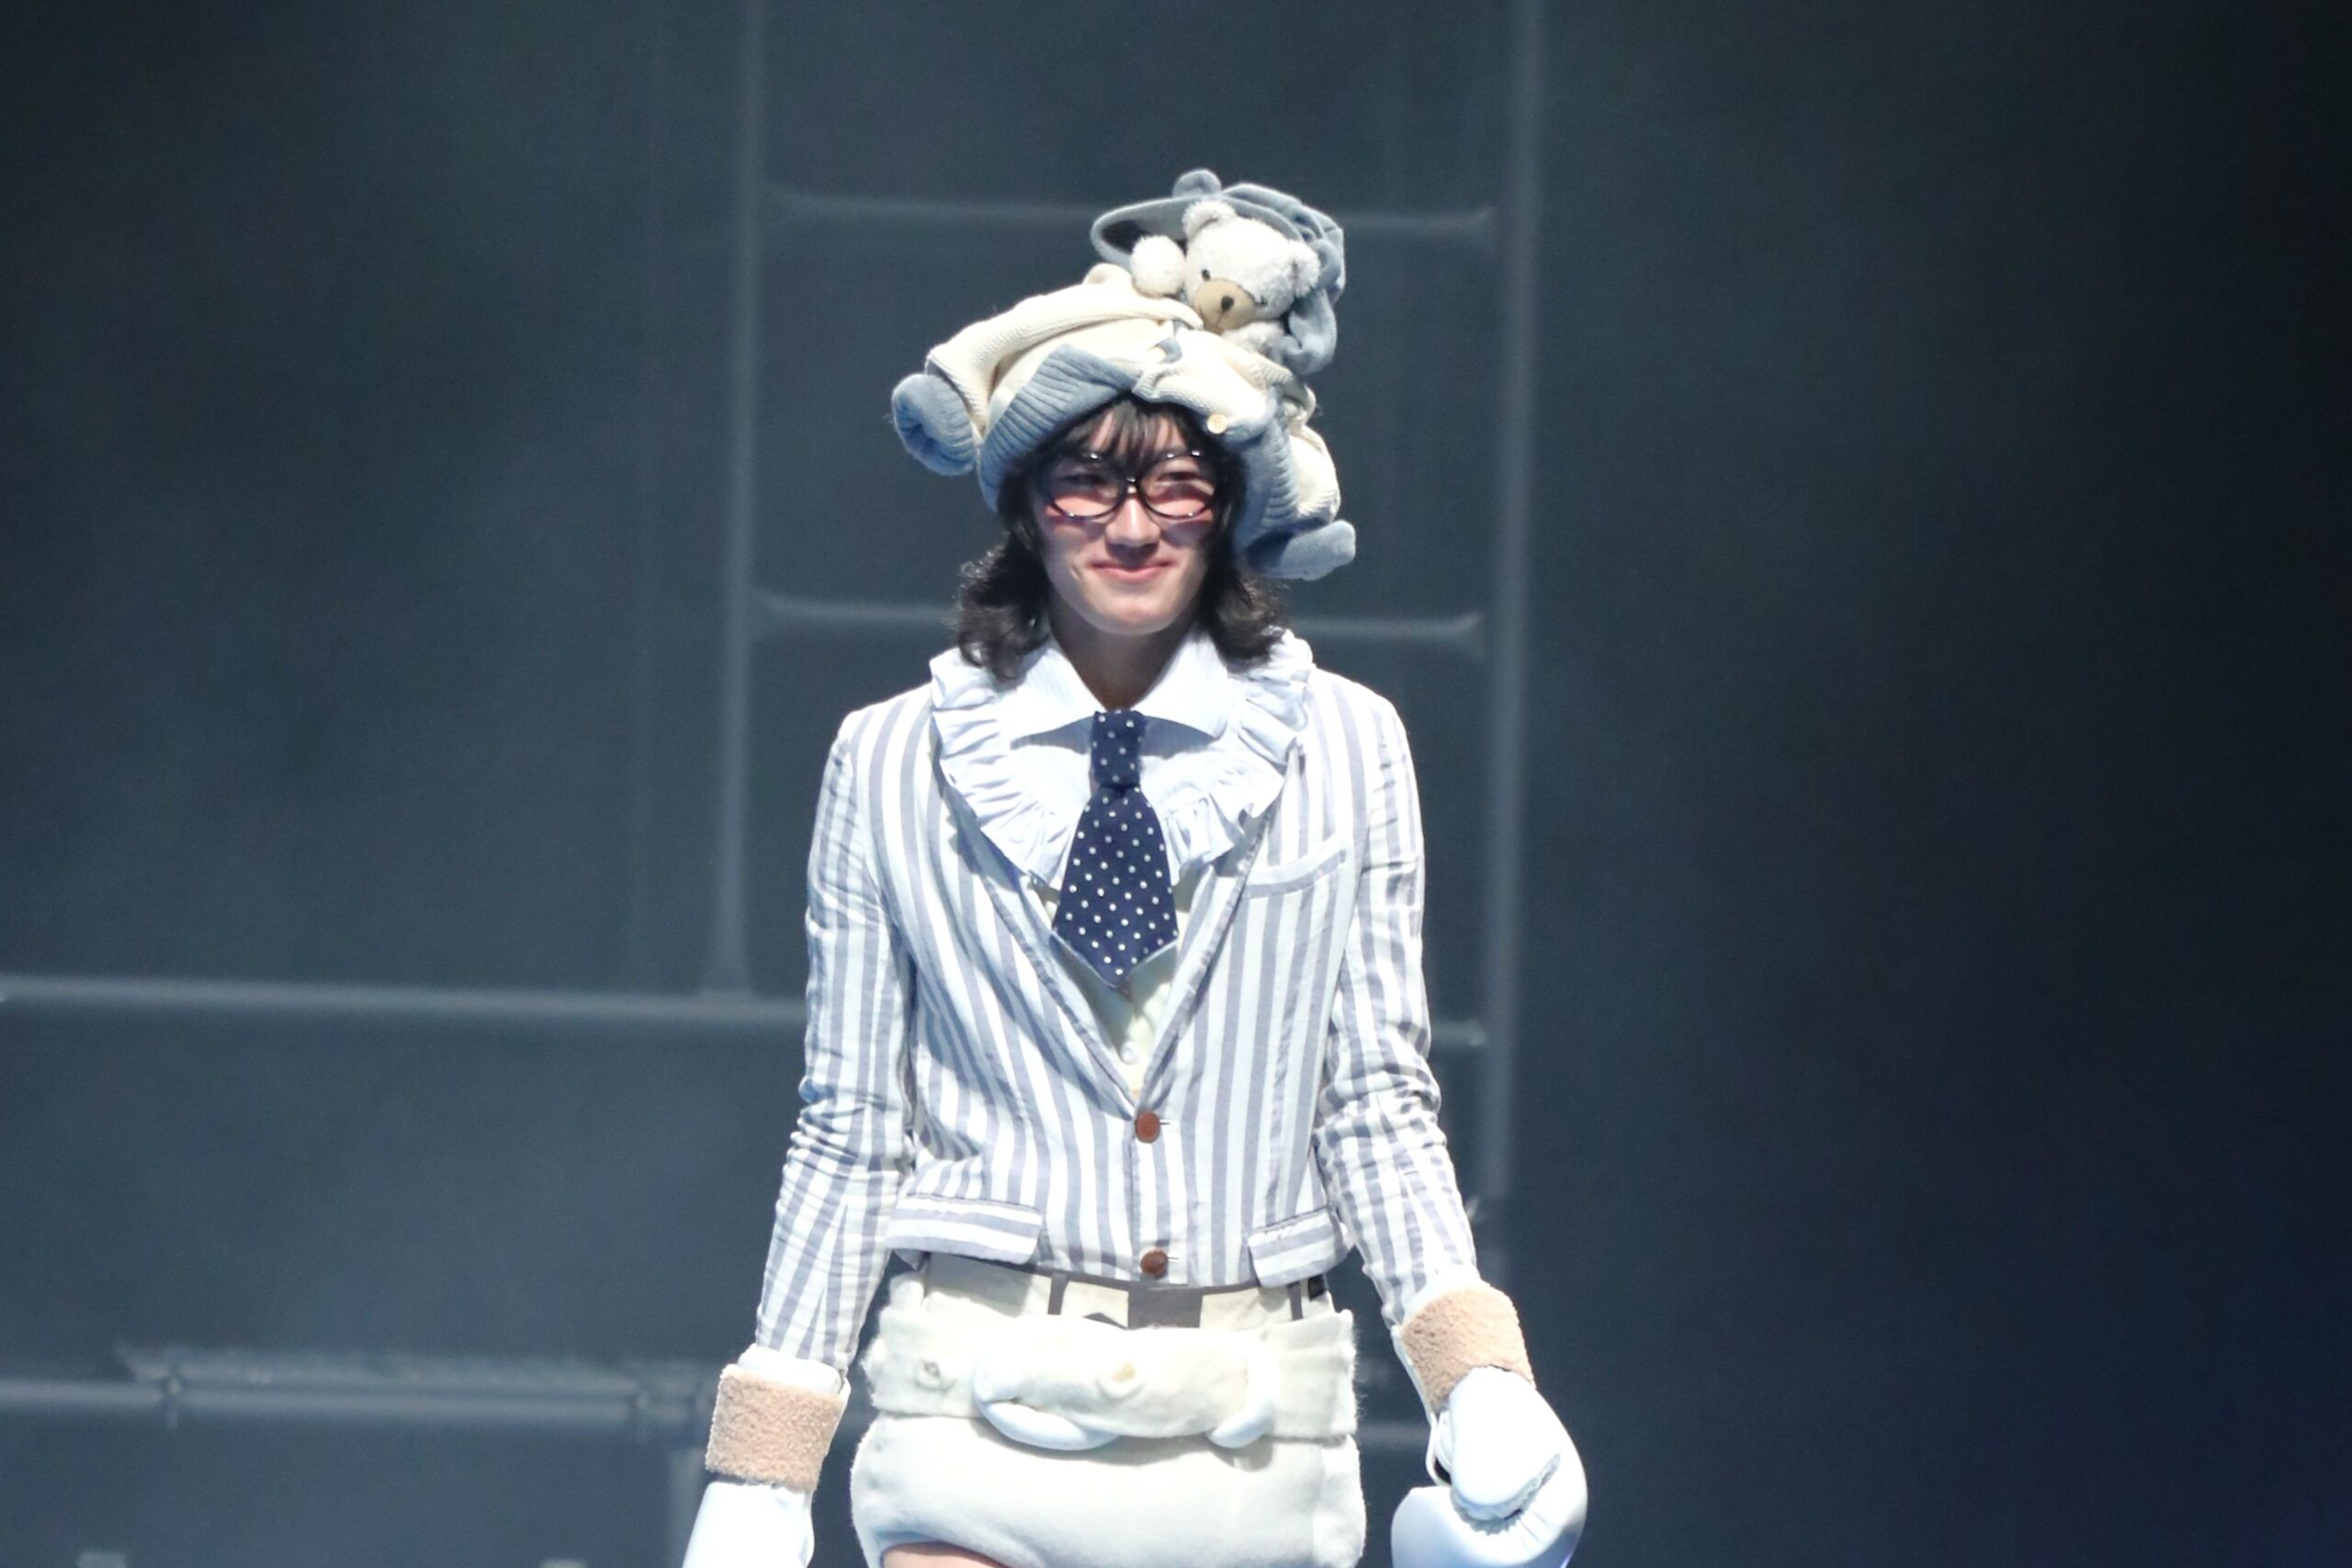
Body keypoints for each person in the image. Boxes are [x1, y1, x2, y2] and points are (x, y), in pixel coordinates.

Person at [682, 172, 1582, 1568]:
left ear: (1227, 505)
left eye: (1175, 481)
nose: (1132, 520)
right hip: (972, 1408)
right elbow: (851, 1127)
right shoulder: (892, 758)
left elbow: (1375, 1101)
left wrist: (1479, 1376)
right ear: (1024, 502)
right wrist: (763, 1466)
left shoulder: (1346, 746)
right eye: (1087, 479)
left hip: (1254, 1440)